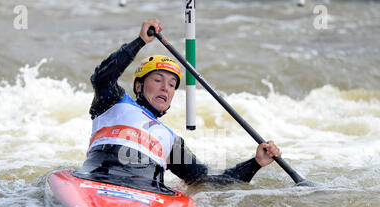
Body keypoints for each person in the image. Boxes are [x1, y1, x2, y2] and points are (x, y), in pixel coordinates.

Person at [73, 18, 281, 193]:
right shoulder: (113, 102)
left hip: (145, 193)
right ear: (139, 86)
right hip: (96, 180)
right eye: (157, 80)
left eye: (172, 84)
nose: (165, 88)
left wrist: (255, 163)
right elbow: (102, 77)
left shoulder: (171, 141)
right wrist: (140, 42)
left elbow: (205, 181)